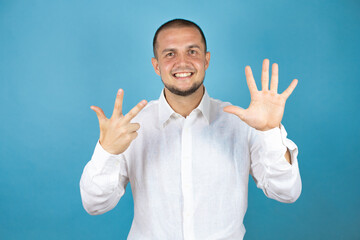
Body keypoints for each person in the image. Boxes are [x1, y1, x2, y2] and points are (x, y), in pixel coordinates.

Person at [80, 19, 302, 240]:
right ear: (156, 65)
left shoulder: (243, 122)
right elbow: (94, 205)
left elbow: (287, 192)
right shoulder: (130, 128)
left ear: (206, 60)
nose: (182, 62)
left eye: (192, 51)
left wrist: (269, 132)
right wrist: (107, 152)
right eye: (170, 54)